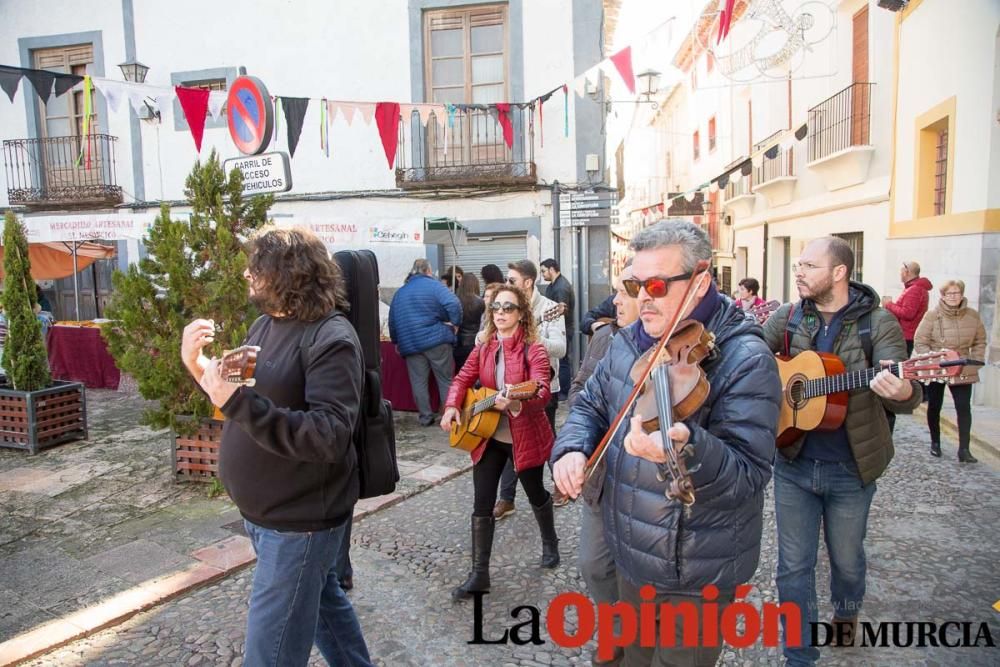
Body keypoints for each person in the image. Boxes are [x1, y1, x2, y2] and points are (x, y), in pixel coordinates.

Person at [552, 220, 782, 666]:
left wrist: (687, 451)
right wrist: (573, 448)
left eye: (656, 284)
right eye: (635, 284)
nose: (643, 298)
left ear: (700, 283)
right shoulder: (629, 341)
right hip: (632, 557)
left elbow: (749, 474)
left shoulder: (746, 358)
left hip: (697, 570)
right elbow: (589, 405)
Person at [180, 226, 372, 666]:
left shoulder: (332, 339)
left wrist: (238, 400)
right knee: (328, 611)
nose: (248, 275)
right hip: (265, 516)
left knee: (269, 655)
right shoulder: (265, 323)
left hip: (299, 523)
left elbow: (329, 435)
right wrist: (197, 365)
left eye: (257, 267)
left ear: (290, 274)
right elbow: (234, 394)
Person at [761, 237, 921, 665]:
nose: (799, 272)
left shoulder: (879, 323)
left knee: (847, 563)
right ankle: (799, 655)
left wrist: (903, 388)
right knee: (792, 567)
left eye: (809, 266)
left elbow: (902, 392)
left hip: (851, 469)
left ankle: (846, 612)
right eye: (798, 264)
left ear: (838, 272)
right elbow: (752, 355)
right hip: (793, 461)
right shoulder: (789, 315)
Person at [441, 284, 559, 600]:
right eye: (496, 308)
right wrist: (453, 404)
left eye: (508, 307)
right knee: (482, 503)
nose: (501, 313)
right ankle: (479, 574)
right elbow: (462, 379)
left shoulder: (534, 348)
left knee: (535, 492)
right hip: (489, 434)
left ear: (521, 314)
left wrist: (518, 402)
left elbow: (543, 390)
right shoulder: (485, 346)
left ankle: (550, 541)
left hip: (523, 434)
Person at [566, 262, 640, 666]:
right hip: (605, 470)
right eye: (617, 291)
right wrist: (591, 421)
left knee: (635, 573)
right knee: (593, 564)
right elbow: (578, 389)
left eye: (624, 292)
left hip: (645, 478)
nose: (615, 300)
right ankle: (616, 627)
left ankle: (626, 639)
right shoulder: (607, 338)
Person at [494, 260, 567, 517]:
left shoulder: (548, 309)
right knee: (507, 439)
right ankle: (507, 498)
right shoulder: (505, 306)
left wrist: (533, 337)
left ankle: (560, 482)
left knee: (546, 441)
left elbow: (560, 348)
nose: (507, 284)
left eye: (512, 280)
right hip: (509, 389)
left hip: (541, 387)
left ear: (528, 282)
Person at [913, 279, 987, 463]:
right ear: (943, 296)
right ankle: (935, 443)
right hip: (939, 367)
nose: (953, 297)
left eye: (957, 293)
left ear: (962, 294)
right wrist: (932, 360)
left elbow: (980, 340)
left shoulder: (972, 315)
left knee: (963, 408)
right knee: (935, 405)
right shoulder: (932, 315)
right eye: (949, 294)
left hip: (962, 366)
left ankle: (964, 449)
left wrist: (974, 361)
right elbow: (920, 340)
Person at [388, 259, 463, 426]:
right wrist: (455, 323)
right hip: (436, 339)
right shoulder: (434, 286)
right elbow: (453, 303)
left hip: (411, 344)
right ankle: (449, 417)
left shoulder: (400, 292)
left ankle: (425, 417)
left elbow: (392, 321)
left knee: (418, 382)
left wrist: (396, 341)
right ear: (429, 271)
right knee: (445, 380)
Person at [541, 258, 576, 401]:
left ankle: (563, 391)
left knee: (562, 360)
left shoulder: (561, 287)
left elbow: (561, 311)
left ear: (551, 269)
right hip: (557, 328)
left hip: (563, 329)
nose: (542, 275)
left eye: (543, 271)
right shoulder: (553, 285)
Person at [882, 261, 932, 356]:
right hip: (907, 334)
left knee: (901, 363)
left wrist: (888, 304)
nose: (900, 274)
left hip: (907, 336)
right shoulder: (914, 287)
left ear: (907, 272)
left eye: (901, 271)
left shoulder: (915, 289)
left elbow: (908, 313)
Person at [454, 273, 485, 370]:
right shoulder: (481, 302)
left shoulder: (456, 300)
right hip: (475, 342)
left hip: (459, 343)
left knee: (461, 373)